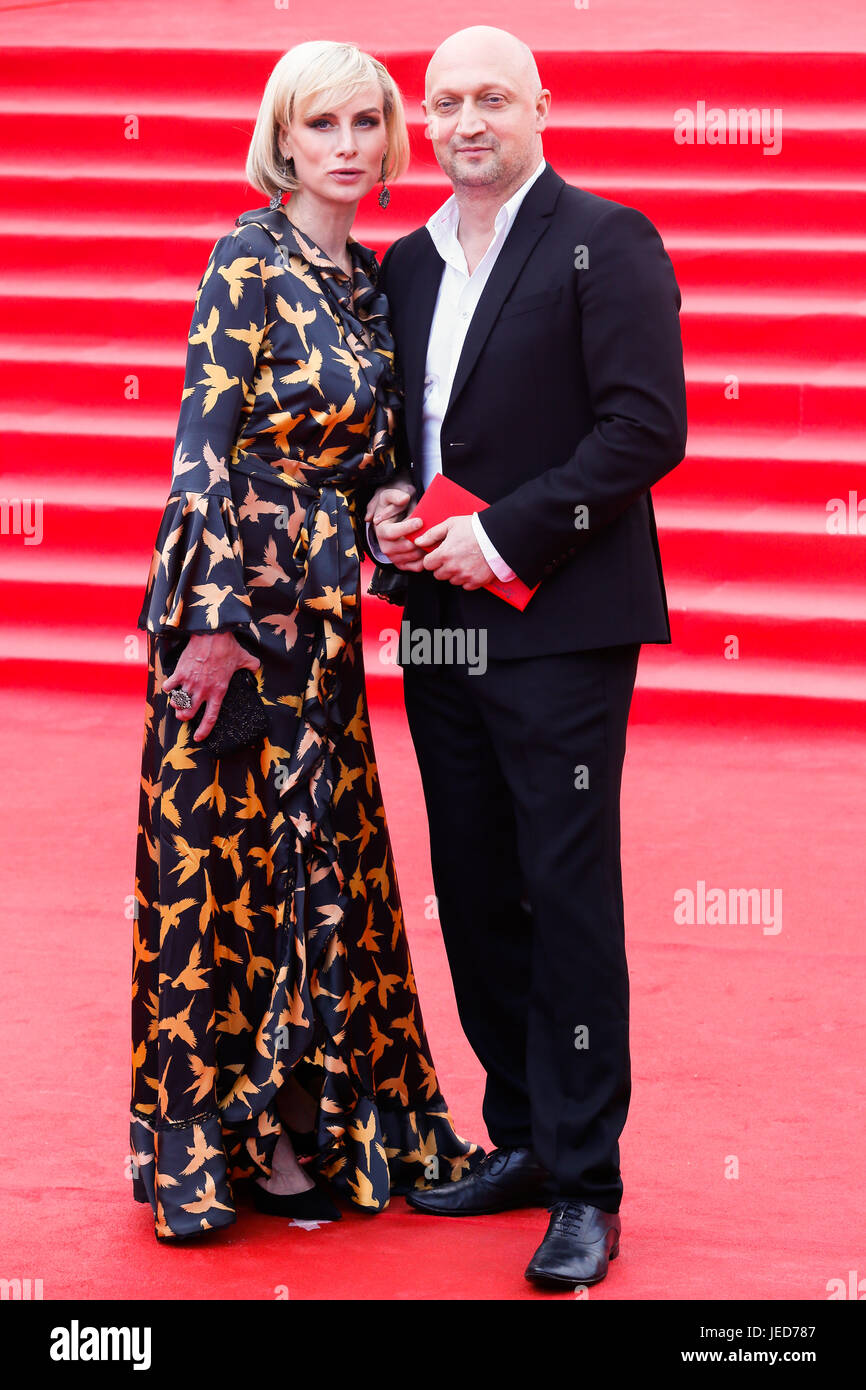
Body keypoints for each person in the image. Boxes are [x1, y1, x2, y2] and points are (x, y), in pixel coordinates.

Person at [130, 39, 482, 1243]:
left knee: (317, 870)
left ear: (387, 142)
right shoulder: (247, 259)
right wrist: (212, 627)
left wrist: (388, 507)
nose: (345, 145)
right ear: (281, 141)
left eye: (363, 124)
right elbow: (201, 449)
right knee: (222, 875)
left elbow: (373, 460)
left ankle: (309, 1123)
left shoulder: (369, 283)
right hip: (236, 624)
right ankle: (223, 1147)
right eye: (319, 124)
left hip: (321, 627)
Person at [366, 25, 687, 1288]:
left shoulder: (606, 241)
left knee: (563, 890)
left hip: (554, 616)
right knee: (474, 878)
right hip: (436, 619)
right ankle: (523, 1141)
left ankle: (587, 1182)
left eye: (488, 97)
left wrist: (499, 537)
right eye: (441, 103)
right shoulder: (403, 262)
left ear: (538, 104)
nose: (462, 121)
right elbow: (407, 430)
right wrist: (390, 507)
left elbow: (642, 430)